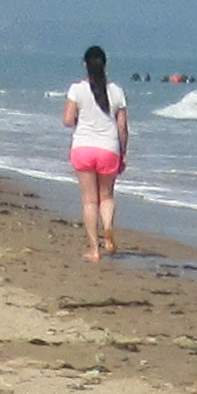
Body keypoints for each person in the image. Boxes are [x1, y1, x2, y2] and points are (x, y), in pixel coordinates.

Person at [64, 45, 130, 261]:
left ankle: (94, 249)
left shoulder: (77, 89)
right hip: (109, 149)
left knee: (89, 201)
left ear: (85, 64)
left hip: (83, 148)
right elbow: (122, 127)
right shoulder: (117, 91)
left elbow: (67, 120)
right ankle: (108, 227)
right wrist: (123, 152)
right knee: (107, 196)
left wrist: (79, 119)